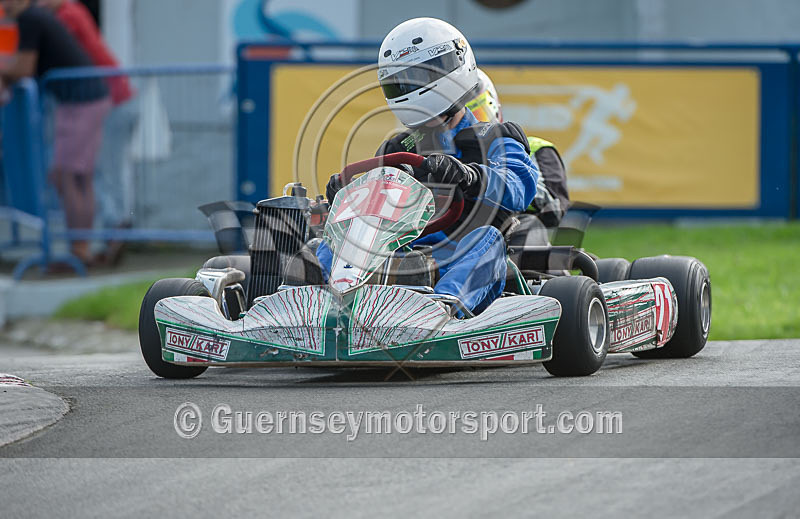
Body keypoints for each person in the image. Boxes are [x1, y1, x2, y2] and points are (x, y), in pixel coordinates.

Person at [319, 17, 539, 315]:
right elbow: (375, 208)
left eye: (419, 76)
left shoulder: (495, 136)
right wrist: (347, 195)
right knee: (332, 241)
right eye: (401, 81)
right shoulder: (397, 148)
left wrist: (472, 175)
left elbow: (518, 186)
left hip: (459, 253)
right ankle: (316, 306)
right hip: (399, 254)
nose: (409, 88)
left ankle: (441, 310)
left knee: (487, 240)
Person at [0, 0, 110, 266]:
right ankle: (82, 247)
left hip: (80, 100)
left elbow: (23, 68)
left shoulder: (30, 19)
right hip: (83, 98)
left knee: (67, 175)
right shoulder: (35, 17)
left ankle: (81, 250)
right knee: (74, 176)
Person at [39, 0, 136, 264]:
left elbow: (48, 48)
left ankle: (114, 231)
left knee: (101, 170)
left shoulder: (67, 14)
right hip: (112, 96)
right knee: (98, 171)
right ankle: (111, 235)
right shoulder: (73, 10)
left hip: (111, 99)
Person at [466, 68, 570, 231]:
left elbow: (554, 210)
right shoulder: (443, 156)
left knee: (527, 227)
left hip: (512, 240)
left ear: (494, 107)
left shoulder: (535, 148)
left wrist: (499, 177)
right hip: (453, 238)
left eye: (477, 113)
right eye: (465, 117)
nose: (472, 122)